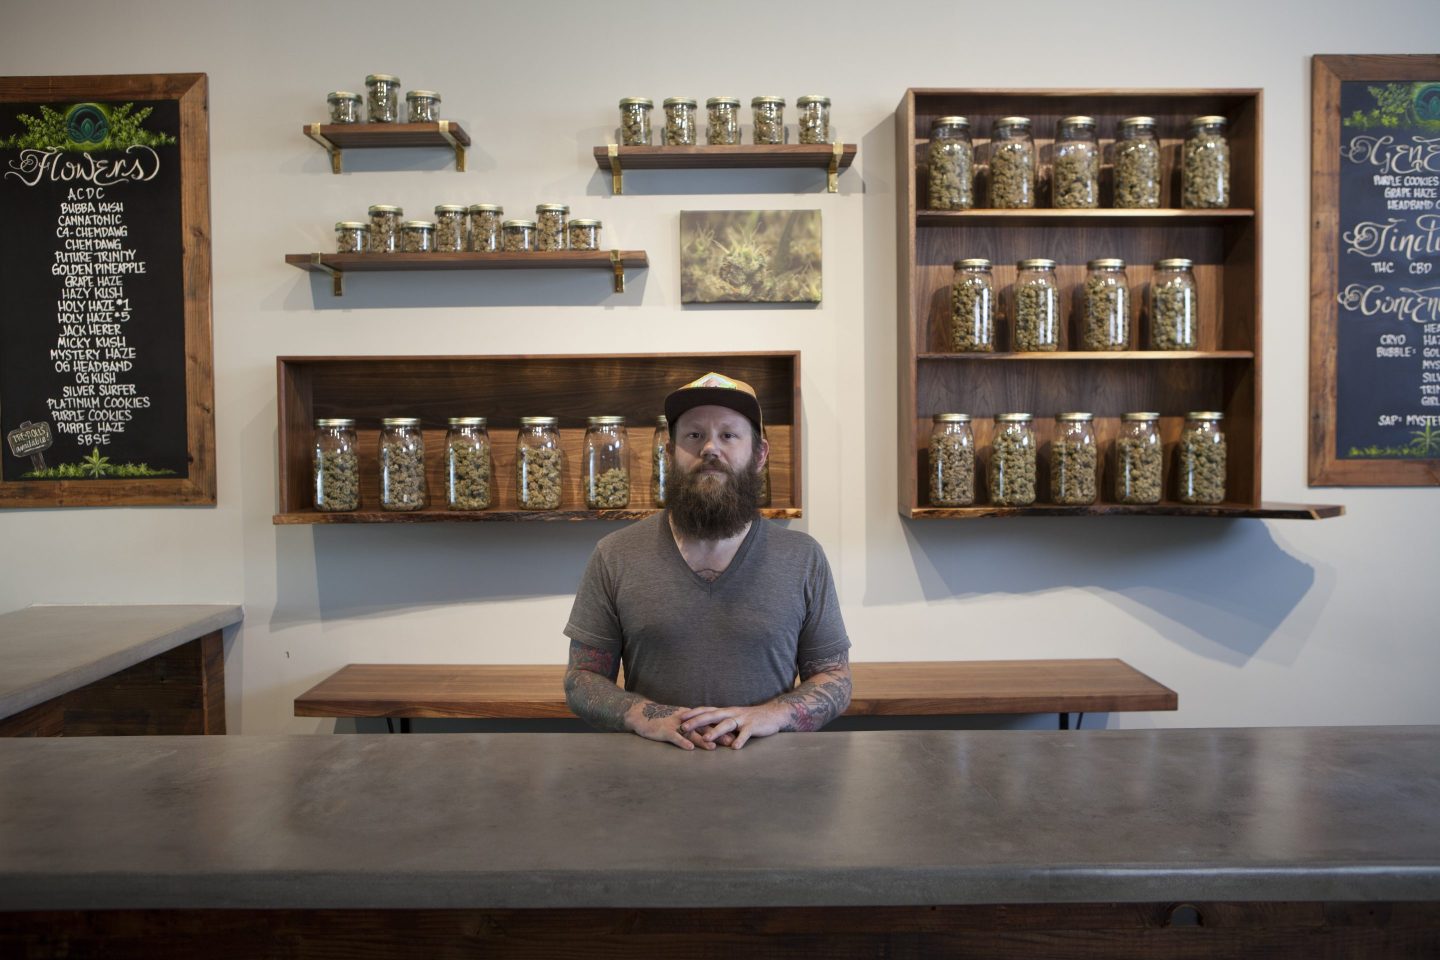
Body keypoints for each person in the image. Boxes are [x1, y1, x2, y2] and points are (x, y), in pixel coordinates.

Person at [563, 372, 851, 750]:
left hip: (772, 776)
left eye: (728, 435)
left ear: (759, 455)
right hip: (651, 776)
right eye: (694, 435)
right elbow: (582, 679)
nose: (710, 448)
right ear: (670, 454)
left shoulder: (803, 558)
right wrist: (646, 715)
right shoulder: (614, 554)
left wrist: (771, 714)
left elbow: (835, 678)